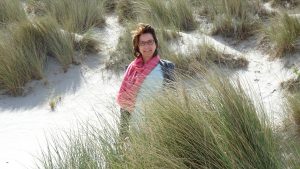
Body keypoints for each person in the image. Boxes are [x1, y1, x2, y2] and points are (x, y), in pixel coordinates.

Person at [116, 23, 175, 140]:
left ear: (156, 43)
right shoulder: (131, 69)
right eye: (142, 43)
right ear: (137, 46)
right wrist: (122, 135)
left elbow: (173, 100)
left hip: (159, 129)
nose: (147, 46)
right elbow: (124, 106)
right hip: (135, 130)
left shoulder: (167, 67)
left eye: (150, 42)